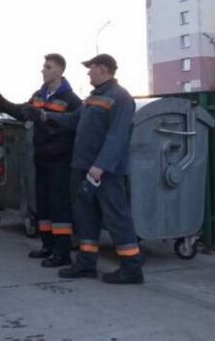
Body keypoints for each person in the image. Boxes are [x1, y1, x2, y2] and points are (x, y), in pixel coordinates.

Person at [42, 53, 144, 284]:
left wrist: (100, 166)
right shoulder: (92, 98)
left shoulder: (120, 98)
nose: (88, 72)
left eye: (92, 67)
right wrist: (46, 116)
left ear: (104, 69)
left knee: (117, 218)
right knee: (85, 218)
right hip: (83, 169)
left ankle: (132, 268)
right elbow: (73, 120)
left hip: (105, 173)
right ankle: (86, 264)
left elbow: (117, 137)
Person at [0, 53, 81, 268]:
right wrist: (3, 103)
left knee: (59, 206)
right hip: (42, 159)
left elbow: (75, 129)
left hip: (59, 161)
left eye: (48, 67)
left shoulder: (71, 100)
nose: (43, 70)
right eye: (44, 66)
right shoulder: (39, 95)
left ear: (60, 71)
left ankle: (62, 253)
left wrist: (55, 149)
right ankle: (47, 246)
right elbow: (24, 112)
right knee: (43, 203)